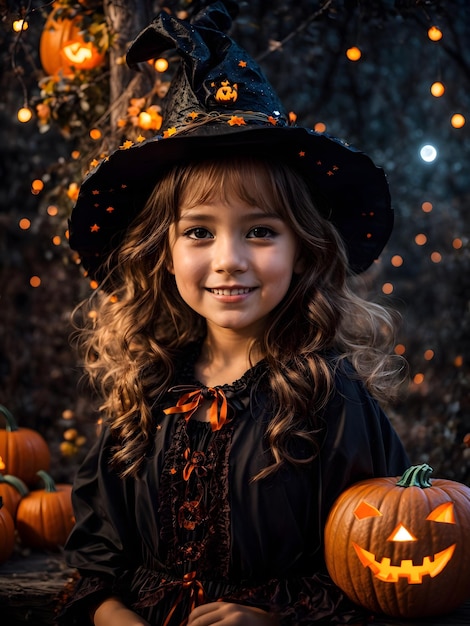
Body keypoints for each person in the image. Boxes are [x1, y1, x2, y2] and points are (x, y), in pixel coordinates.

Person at [59, 2, 410, 625]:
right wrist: (110, 612)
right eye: (199, 232)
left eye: (259, 232)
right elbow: (98, 551)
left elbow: (377, 565)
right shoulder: (146, 390)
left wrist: (274, 620)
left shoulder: (332, 401)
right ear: (162, 254)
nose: (229, 260)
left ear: (302, 250)